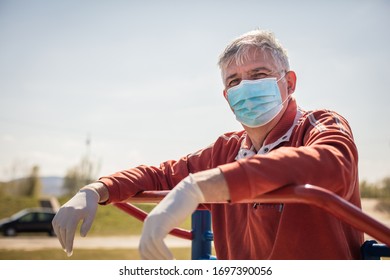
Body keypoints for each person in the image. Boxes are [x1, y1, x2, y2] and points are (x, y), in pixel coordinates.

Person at [52, 29, 363, 260]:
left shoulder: (319, 124)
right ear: (226, 96)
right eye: (234, 81)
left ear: (290, 82)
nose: (246, 87)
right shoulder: (226, 150)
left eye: (259, 74)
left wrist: (203, 187)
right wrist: (96, 189)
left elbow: (332, 163)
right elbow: (161, 175)